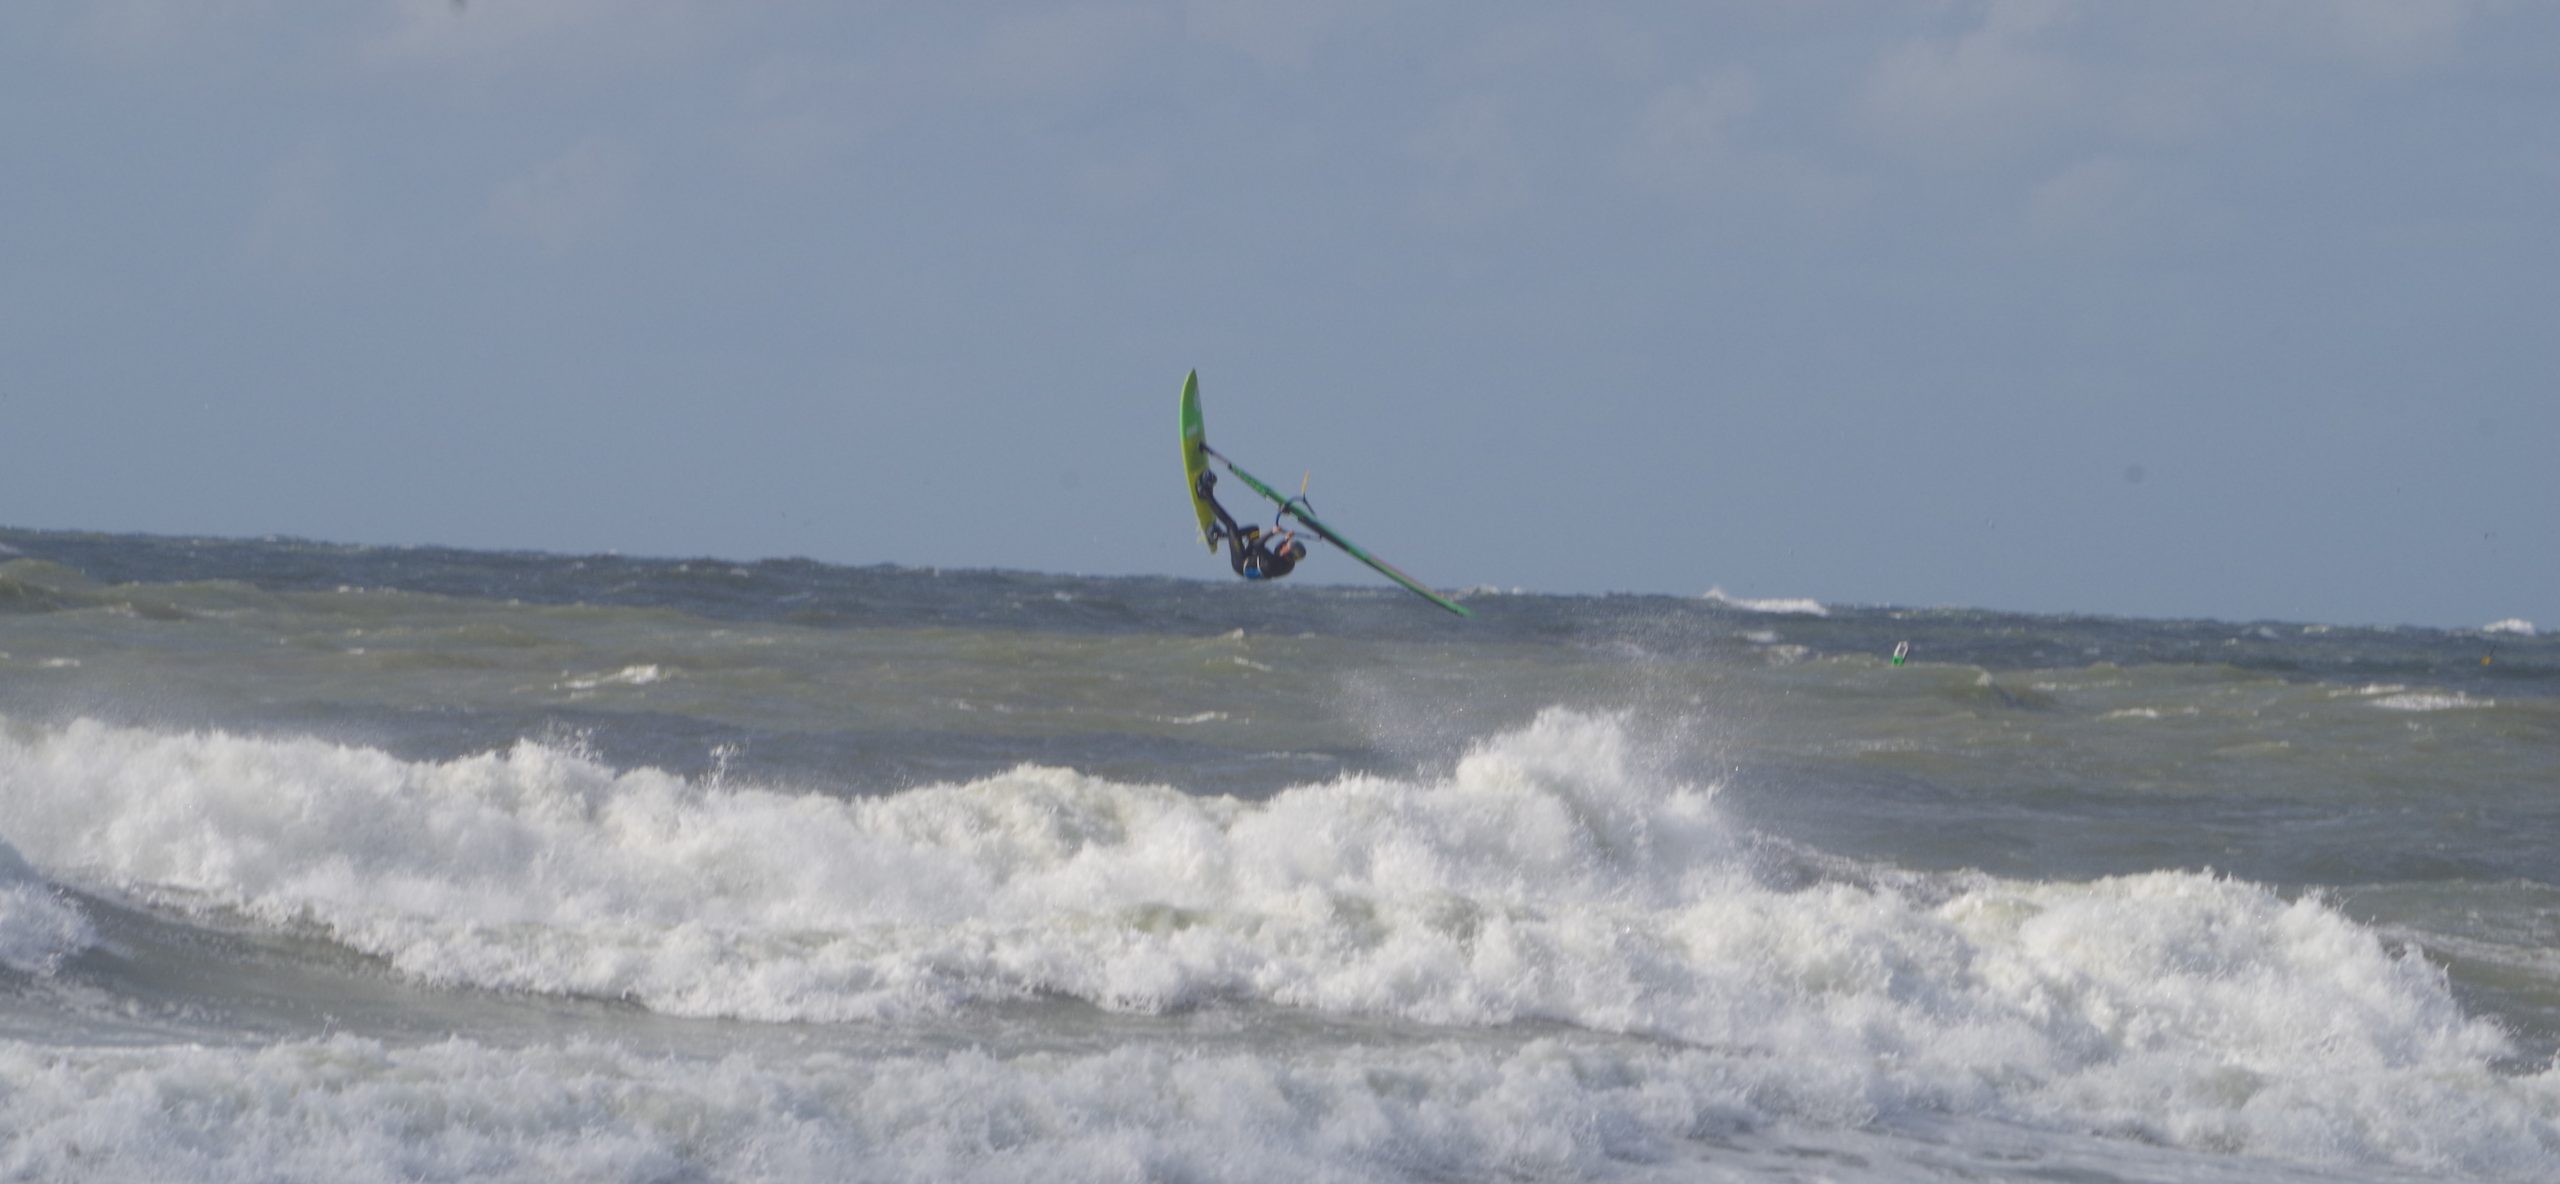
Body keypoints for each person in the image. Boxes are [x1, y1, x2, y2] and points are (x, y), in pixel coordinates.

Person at [1198, 469, 1307, 580]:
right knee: (1253, 530)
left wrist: (1272, 533)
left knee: (1231, 525)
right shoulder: (1288, 561)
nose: (1284, 546)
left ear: (1288, 554)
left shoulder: (1272, 564)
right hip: (1252, 556)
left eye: (1286, 547)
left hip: (1241, 562)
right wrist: (1286, 538)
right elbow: (1277, 551)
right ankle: (1218, 535)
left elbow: (1257, 545)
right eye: (1286, 545)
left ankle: (1205, 493)